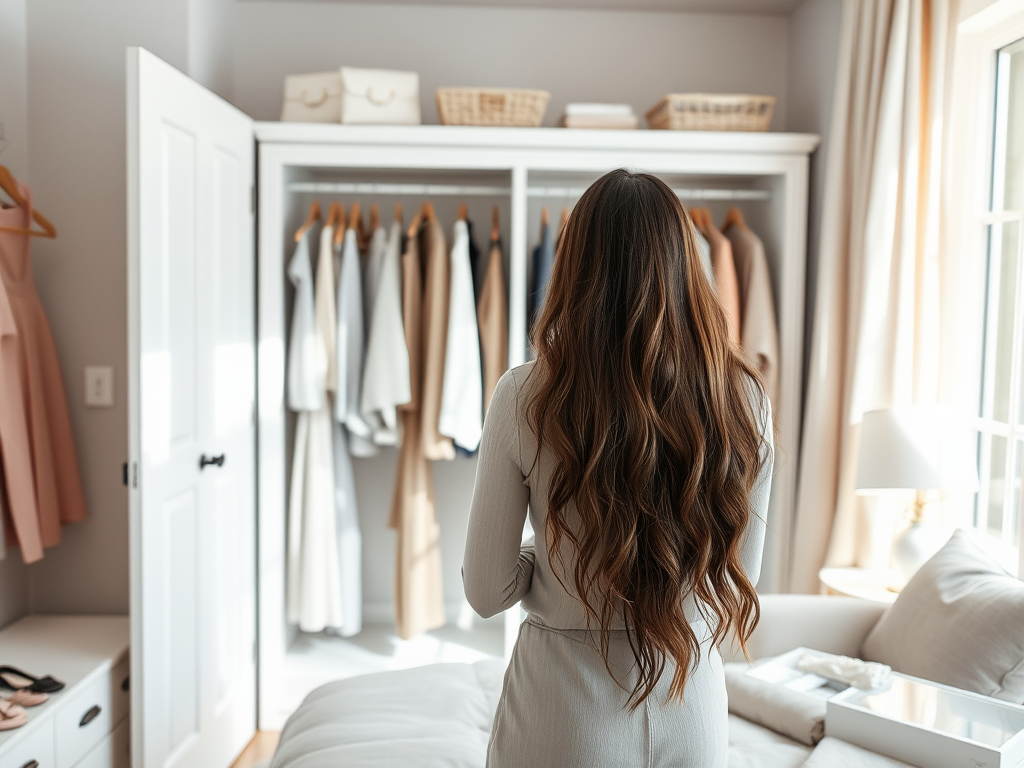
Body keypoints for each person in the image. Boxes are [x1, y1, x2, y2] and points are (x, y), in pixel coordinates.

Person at [463, 169, 774, 768]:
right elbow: (740, 572)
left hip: (566, 711)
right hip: (694, 703)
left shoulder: (525, 396)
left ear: (573, 267)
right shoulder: (744, 398)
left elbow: (486, 590)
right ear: (689, 262)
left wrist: (556, 555)